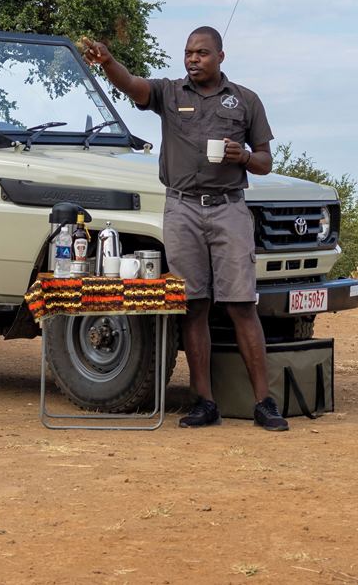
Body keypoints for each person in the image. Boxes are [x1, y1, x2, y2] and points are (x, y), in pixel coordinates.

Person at [82, 27, 290, 432]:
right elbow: (133, 85)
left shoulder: (245, 100)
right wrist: (108, 62)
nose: (193, 59)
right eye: (188, 53)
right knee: (192, 305)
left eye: (202, 53)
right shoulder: (169, 93)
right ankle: (203, 402)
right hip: (182, 208)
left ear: (221, 57)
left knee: (241, 305)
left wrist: (244, 156)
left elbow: (265, 161)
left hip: (229, 208)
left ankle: (264, 402)